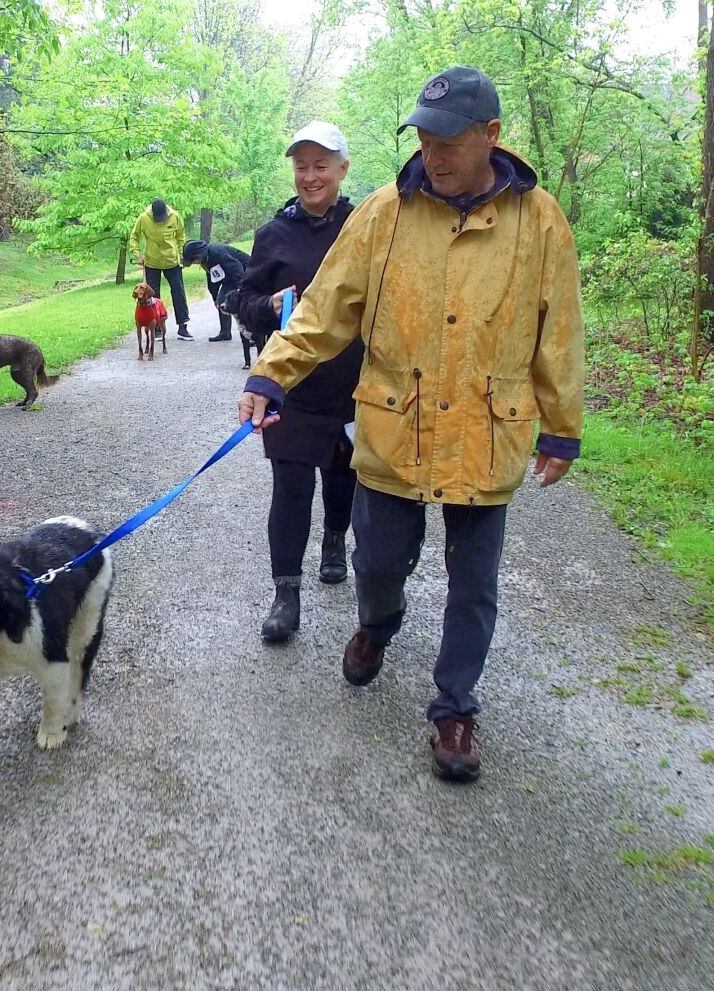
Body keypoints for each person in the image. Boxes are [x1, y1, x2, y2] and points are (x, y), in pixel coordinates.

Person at [237, 66, 585, 785]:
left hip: (488, 431)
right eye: (425, 139)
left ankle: (455, 708)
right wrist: (273, 371)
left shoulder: (540, 218)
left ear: (491, 135)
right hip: (398, 427)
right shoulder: (384, 214)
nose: (435, 154)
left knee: (474, 583)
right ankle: (379, 625)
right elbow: (326, 307)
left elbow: (560, 328)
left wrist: (562, 423)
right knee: (376, 563)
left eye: (450, 140)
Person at [229, 121, 363, 643]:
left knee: (342, 476)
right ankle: (286, 594)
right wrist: (265, 306)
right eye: (302, 166)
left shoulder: (363, 228)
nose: (310, 176)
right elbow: (241, 298)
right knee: (290, 487)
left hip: (353, 384)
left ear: (341, 169)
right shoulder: (272, 235)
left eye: (321, 165)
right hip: (290, 385)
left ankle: (334, 541)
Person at [127, 199, 193, 340]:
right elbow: (134, 237)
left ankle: (183, 327)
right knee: (153, 295)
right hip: (152, 262)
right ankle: (156, 328)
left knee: (179, 292)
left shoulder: (175, 216)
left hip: (172, 261)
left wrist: (182, 255)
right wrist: (137, 255)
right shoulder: (144, 218)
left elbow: (181, 237)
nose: (160, 221)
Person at [181, 238, 249, 343]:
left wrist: (242, 289)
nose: (194, 263)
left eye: (193, 261)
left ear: (198, 255)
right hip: (230, 277)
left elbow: (237, 268)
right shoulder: (206, 260)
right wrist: (215, 297)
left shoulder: (217, 252)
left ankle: (252, 333)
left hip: (246, 273)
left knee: (245, 303)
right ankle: (225, 332)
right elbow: (213, 280)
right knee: (221, 300)